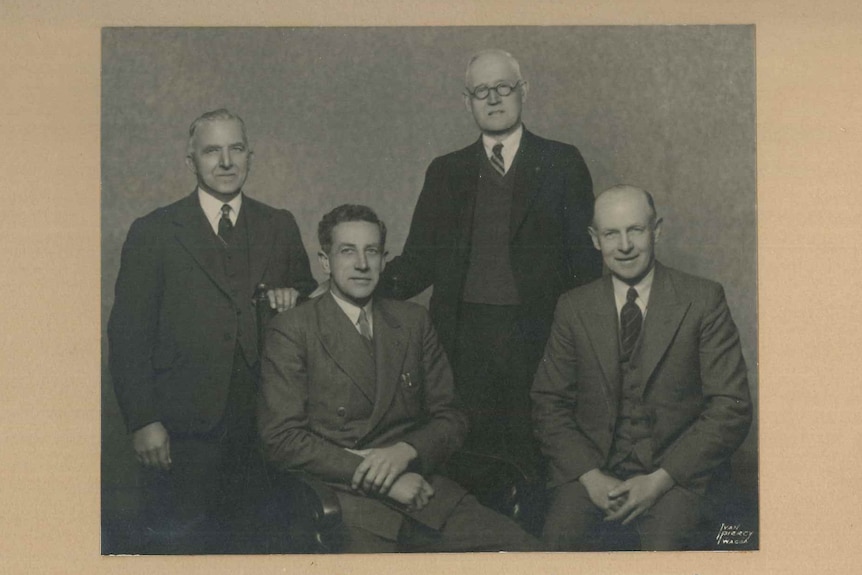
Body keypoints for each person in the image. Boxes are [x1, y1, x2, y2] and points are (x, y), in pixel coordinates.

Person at [258, 204, 540, 553]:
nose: (362, 264)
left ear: (383, 259)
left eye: (371, 251)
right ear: (325, 262)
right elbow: (282, 439)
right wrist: (383, 480)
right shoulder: (293, 329)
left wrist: (405, 452)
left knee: (527, 553)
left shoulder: (412, 321)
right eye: (348, 251)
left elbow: (452, 417)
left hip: (424, 491)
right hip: (346, 501)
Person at [376, 49, 602, 476]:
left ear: (523, 92)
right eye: (482, 91)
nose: (494, 99)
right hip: (461, 340)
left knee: (533, 455)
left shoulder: (561, 162)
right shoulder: (446, 171)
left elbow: (586, 265)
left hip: (538, 337)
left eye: (503, 88)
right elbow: (418, 261)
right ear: (467, 102)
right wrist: (356, 287)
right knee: (465, 455)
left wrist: (577, 342)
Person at [107, 109, 317, 553]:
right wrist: (144, 420)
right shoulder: (155, 231)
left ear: (250, 156)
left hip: (266, 426)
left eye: (235, 149)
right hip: (184, 429)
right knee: (184, 547)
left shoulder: (279, 224)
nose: (225, 161)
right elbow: (128, 335)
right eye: (211, 150)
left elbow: (304, 293)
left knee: (263, 544)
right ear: (191, 161)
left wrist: (290, 294)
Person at [531, 185, 753, 551]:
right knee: (557, 543)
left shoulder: (703, 299)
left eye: (635, 230)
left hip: (676, 475)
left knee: (661, 549)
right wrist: (590, 476)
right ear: (594, 240)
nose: (624, 245)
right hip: (594, 471)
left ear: (657, 231)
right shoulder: (573, 307)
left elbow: (731, 406)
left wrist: (661, 480)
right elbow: (548, 401)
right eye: (610, 234)